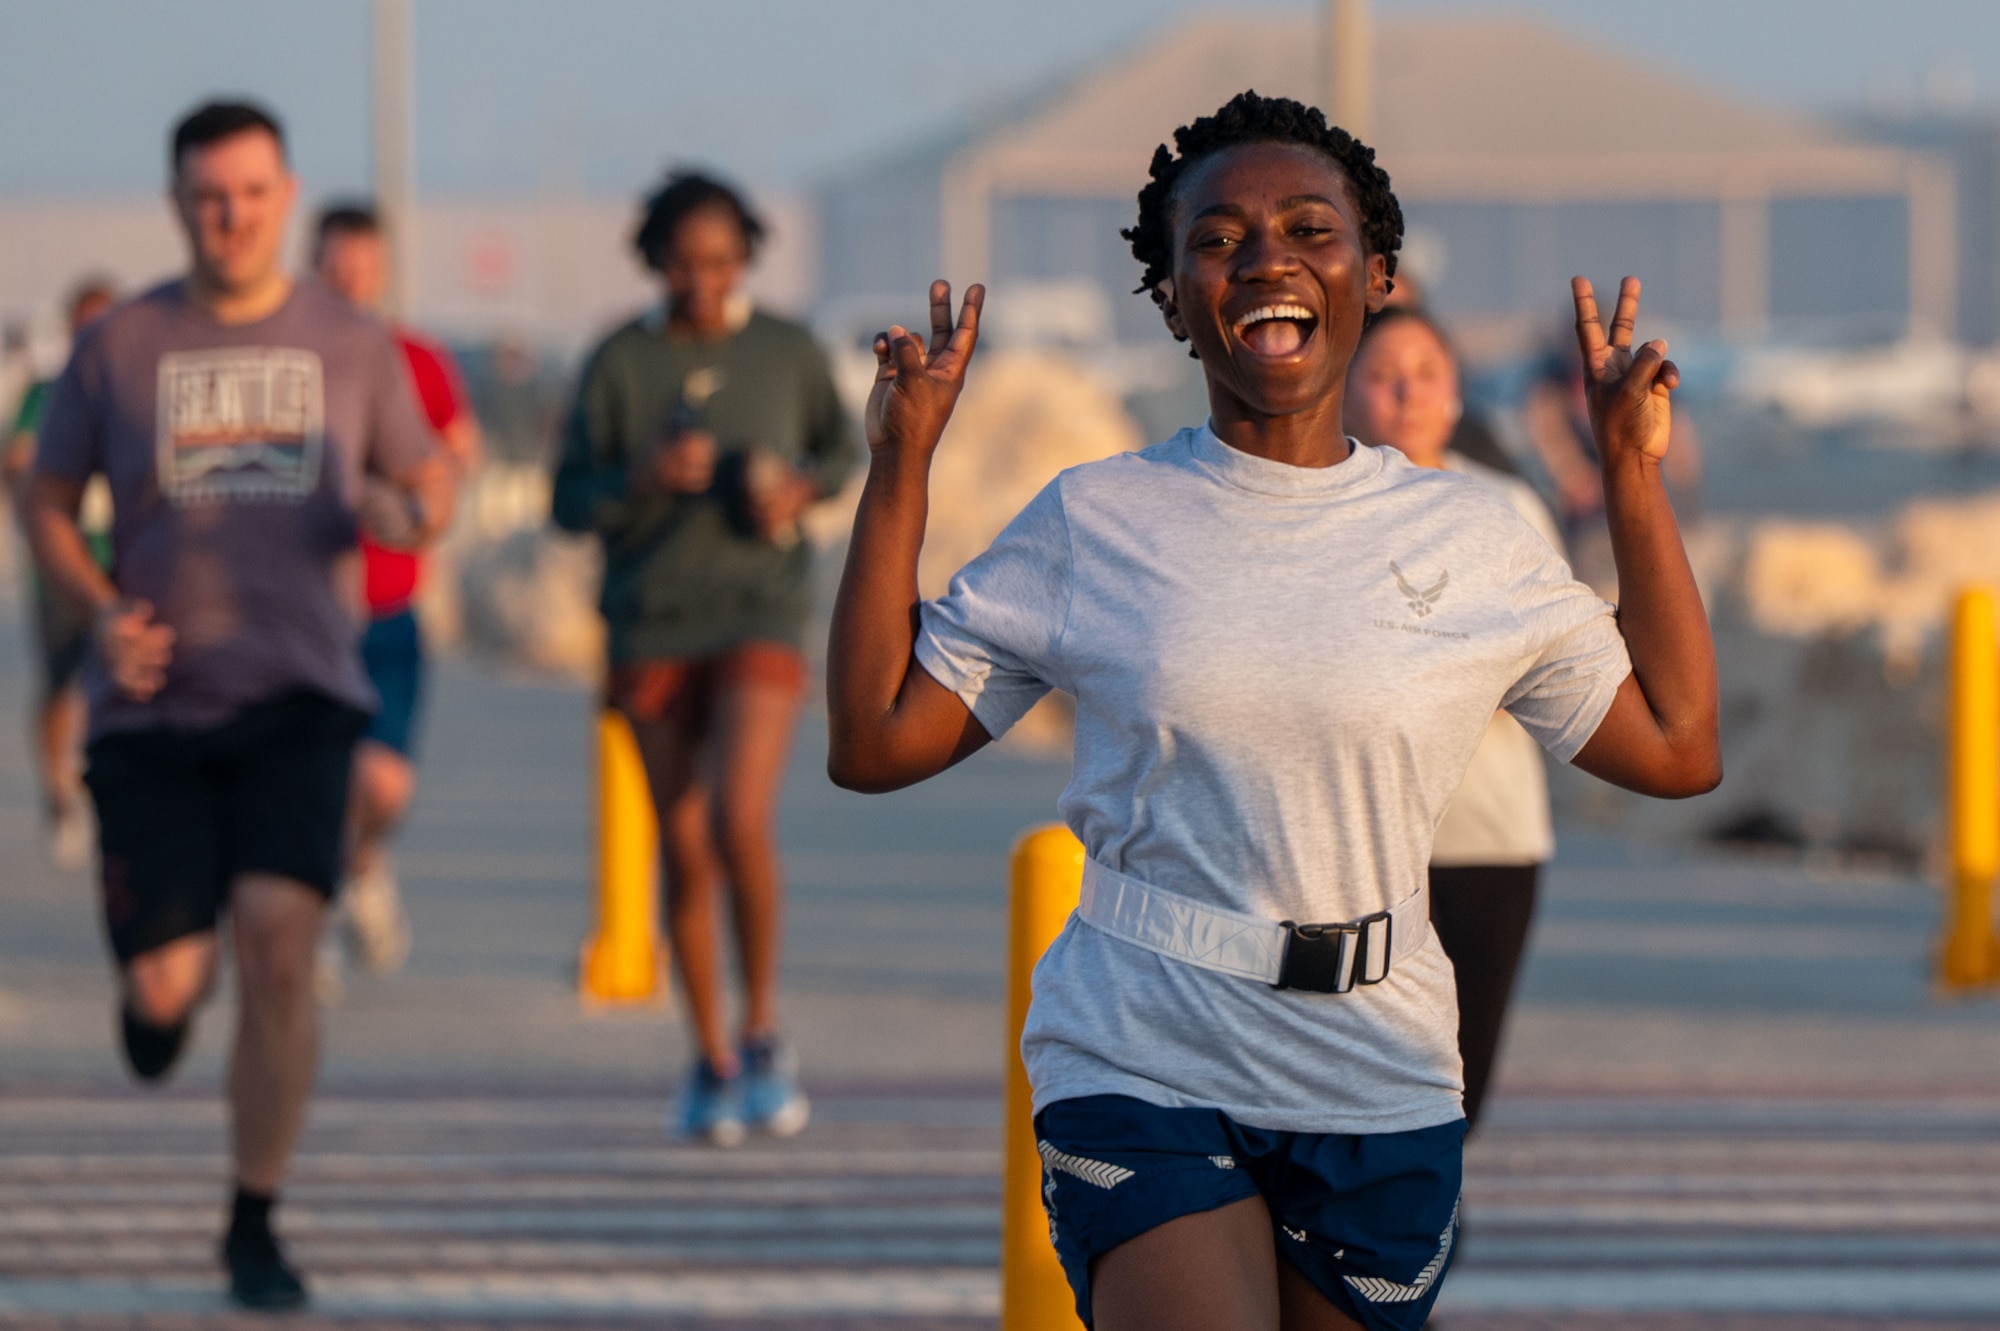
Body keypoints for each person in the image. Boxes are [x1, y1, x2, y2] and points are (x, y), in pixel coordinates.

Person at [826, 91, 1719, 1331]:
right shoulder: (1095, 521)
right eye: (1216, 238)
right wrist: (899, 467)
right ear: (1174, 298)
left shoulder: (1470, 535)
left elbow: (1676, 746)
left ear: (1376, 273)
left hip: (1379, 1062)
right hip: (1143, 1045)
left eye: (1310, 227)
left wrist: (1628, 471)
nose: (1265, 260)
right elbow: (873, 739)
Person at [23, 101, 454, 1310]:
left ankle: (253, 1217)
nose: (233, 215)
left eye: (254, 193)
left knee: (276, 948)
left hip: (302, 696)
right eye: (210, 196)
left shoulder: (350, 339)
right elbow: (47, 498)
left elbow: (425, 480)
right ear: (176, 204)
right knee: (169, 988)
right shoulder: (120, 347)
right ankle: (151, 1002)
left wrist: (409, 514)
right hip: (151, 710)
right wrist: (100, 607)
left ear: (285, 192)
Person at [552, 170, 856, 1146]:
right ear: (654, 263)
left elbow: (841, 454)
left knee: (737, 815)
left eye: (722, 262)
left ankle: (763, 1026)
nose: (703, 281)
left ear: (747, 260)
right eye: (684, 264)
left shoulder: (786, 350)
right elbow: (566, 500)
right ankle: (709, 1051)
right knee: (681, 847)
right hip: (649, 624)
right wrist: (639, 477)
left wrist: (793, 491)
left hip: (757, 613)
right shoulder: (618, 360)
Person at [1344, 304, 1562, 1133]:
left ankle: (1432, 1219)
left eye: (1426, 373)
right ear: (1344, 394)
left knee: (1460, 1074)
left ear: (1457, 392)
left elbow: (1549, 660)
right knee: (1361, 1067)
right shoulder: (1320, 513)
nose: (1406, 393)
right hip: (1354, 846)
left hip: (1491, 835)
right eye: (1382, 375)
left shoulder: (1505, 508)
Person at [312, 201, 482, 987]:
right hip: (303, 613)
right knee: (307, 772)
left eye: (361, 267)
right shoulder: (293, 353)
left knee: (383, 781)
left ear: (380, 270)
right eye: (333, 267)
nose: (349, 281)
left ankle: (363, 863)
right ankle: (302, 916)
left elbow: (458, 452)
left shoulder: (413, 356)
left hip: (389, 607)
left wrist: (413, 498)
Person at [5, 276, 117, 870]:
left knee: (119, 681)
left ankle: (107, 784)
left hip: (122, 562)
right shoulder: (47, 392)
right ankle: (58, 789)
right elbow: (18, 460)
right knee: (59, 686)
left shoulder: (132, 389)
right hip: (57, 569)